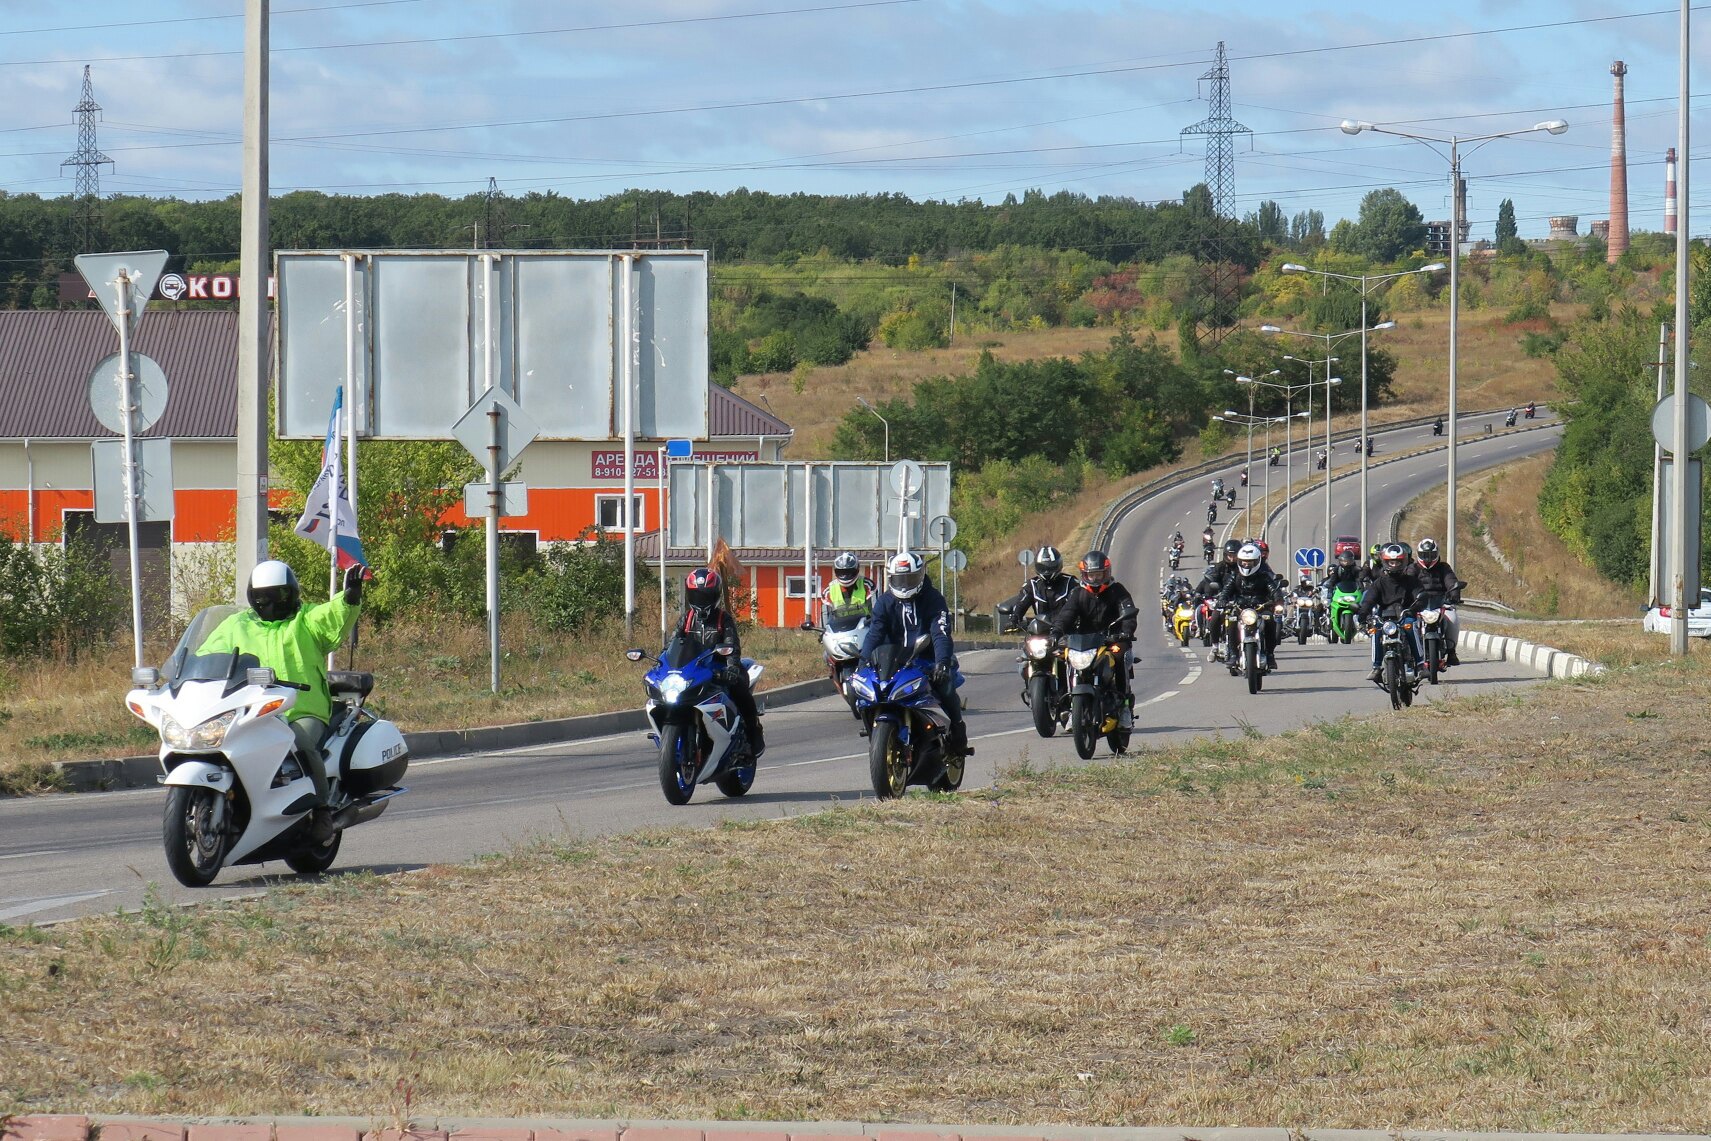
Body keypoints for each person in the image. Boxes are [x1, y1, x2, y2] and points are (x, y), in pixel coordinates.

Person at [197, 559, 369, 837]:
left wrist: (349, 597)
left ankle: (322, 809)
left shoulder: (306, 620)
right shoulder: (236, 625)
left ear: (292, 592)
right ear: (252, 597)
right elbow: (206, 655)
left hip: (303, 709)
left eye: (278, 595)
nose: (270, 603)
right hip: (253, 711)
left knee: (302, 746)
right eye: (262, 597)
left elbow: (333, 616)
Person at [862, 551, 966, 756]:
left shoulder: (934, 599)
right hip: (892, 661)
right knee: (866, 693)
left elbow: (940, 633)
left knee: (944, 686)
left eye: (909, 578)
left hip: (927, 659)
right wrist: (863, 661)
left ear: (920, 575)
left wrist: (942, 662)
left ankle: (958, 727)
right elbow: (874, 634)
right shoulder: (884, 602)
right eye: (899, 579)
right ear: (891, 578)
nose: (904, 584)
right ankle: (875, 735)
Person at [677, 567, 765, 758]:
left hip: (721, 666)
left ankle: (754, 729)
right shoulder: (686, 619)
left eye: (705, 596)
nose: (701, 600)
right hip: (695, 669)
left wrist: (732, 667)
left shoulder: (722, 619)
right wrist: (662, 665)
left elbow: (732, 645)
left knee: (739, 688)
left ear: (714, 596)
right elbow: (673, 645)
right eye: (696, 595)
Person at [1050, 550, 1140, 726]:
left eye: (1099, 574)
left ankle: (1124, 707)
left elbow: (1128, 613)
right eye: (1091, 575)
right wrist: (1056, 632)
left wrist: (1126, 631)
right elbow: (1066, 615)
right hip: (1084, 642)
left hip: (1112, 639)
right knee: (1062, 658)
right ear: (1085, 575)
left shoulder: (1117, 590)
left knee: (1120, 656)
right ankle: (1068, 708)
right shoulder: (1078, 594)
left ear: (1106, 573)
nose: (1096, 579)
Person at [1358, 543, 1423, 683]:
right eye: (1391, 562)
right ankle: (1376, 668)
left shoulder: (1411, 581)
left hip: (1405, 616)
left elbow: (1420, 595)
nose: (1394, 565)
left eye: (1398, 562)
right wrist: (1363, 615)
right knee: (1375, 631)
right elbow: (1368, 600)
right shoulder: (1379, 583)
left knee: (1411, 627)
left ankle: (1420, 664)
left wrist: (1416, 605)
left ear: (1404, 561)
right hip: (1385, 619)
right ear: (1385, 562)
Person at [1215, 542, 1284, 671]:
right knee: (1231, 622)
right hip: (1240, 608)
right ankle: (1234, 655)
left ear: (1257, 562)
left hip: (1260, 608)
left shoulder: (1264, 576)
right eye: (1244, 562)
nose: (1246, 565)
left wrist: (1278, 601)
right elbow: (1226, 590)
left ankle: (1270, 654)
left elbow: (1274, 590)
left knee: (1270, 622)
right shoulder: (1235, 576)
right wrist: (1222, 600)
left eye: (1250, 562)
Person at [997, 545, 1074, 630]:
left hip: (1067, 632)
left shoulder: (1071, 582)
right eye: (1043, 567)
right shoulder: (1032, 585)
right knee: (1028, 642)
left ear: (1058, 565)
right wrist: (1014, 619)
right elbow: (1021, 603)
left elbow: (1081, 602)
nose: (1047, 571)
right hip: (1040, 632)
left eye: (1050, 567)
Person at [1412, 537, 1462, 666]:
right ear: (1418, 554)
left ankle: (1451, 651)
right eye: (1424, 555)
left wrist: (1454, 593)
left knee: (1453, 618)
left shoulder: (1443, 567)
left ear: (1436, 554)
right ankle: (1410, 652)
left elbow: (1451, 581)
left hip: (1440, 603)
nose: (1428, 558)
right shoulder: (1413, 569)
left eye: (1431, 555)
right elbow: (1406, 584)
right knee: (1408, 624)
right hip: (1418, 605)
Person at [1195, 539, 1244, 660]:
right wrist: (1211, 594)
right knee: (1215, 619)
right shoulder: (1220, 567)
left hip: (1241, 600)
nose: (1232, 559)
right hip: (1224, 600)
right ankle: (1215, 646)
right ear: (1225, 555)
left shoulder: (1245, 566)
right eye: (1230, 556)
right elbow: (1211, 581)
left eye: (1235, 556)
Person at [820, 551, 875, 625]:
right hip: (838, 631)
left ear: (857, 569)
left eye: (849, 571)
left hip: (864, 628)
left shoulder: (868, 586)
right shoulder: (828, 592)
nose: (845, 575)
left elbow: (876, 612)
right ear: (836, 571)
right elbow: (825, 620)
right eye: (841, 572)